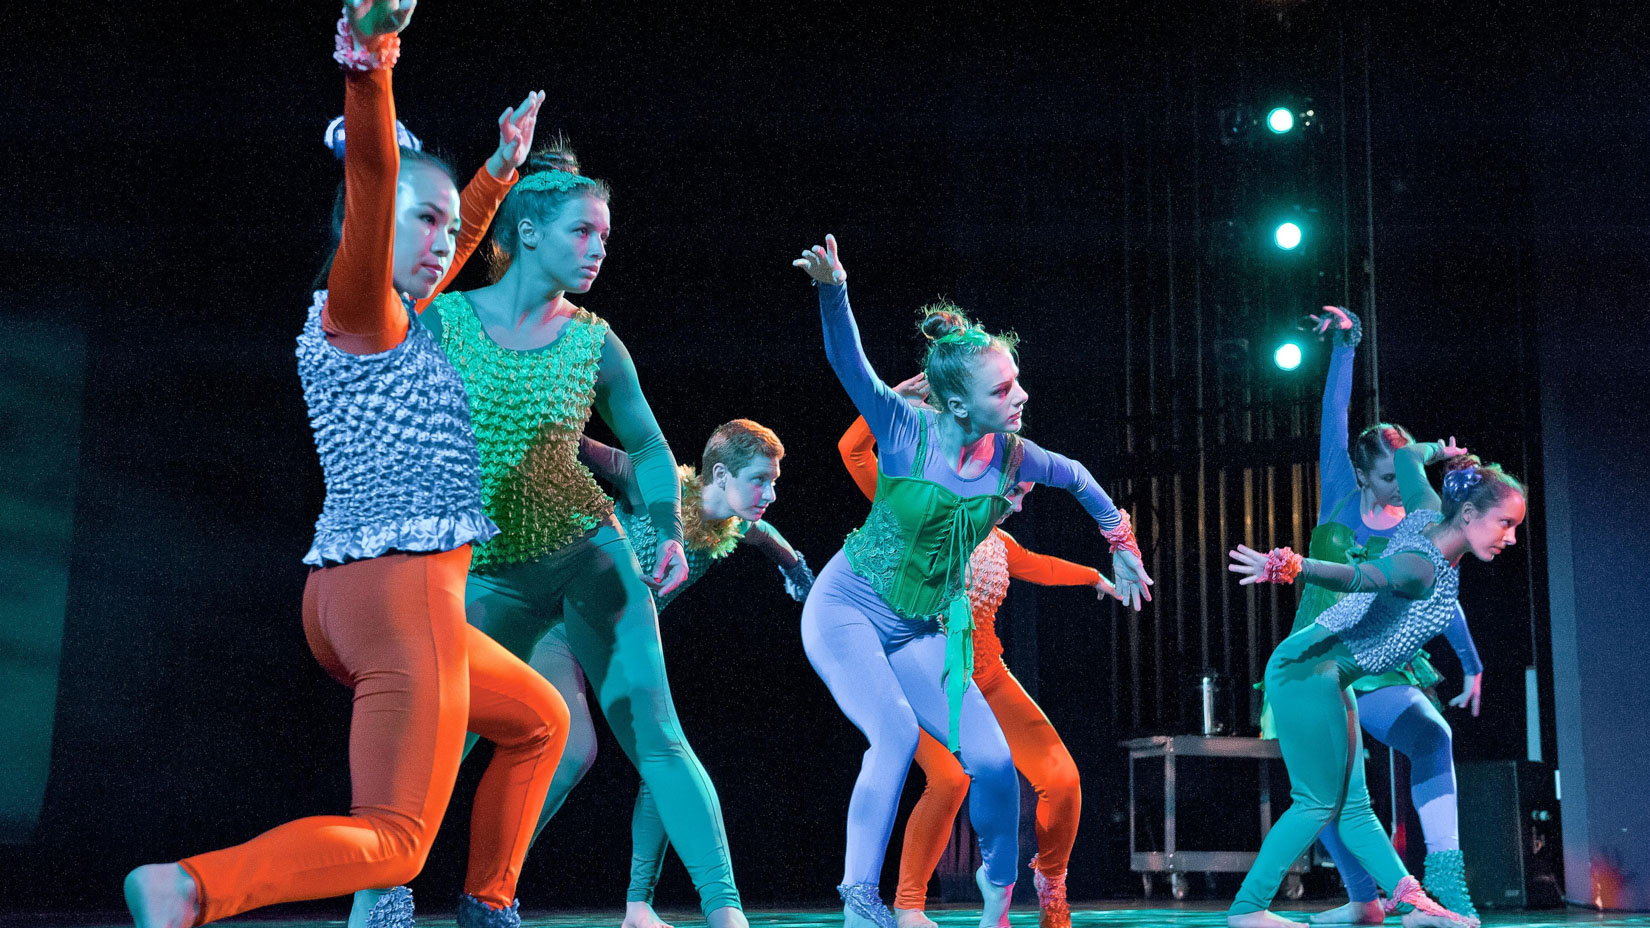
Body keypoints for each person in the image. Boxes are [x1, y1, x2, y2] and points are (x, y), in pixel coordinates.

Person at [124, 5, 568, 928]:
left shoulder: (380, 315)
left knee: (539, 720)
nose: (446, 243)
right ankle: (192, 888)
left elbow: (430, 233)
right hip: (401, 597)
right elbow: (375, 172)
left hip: (356, 594)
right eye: (426, 222)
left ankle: (489, 899)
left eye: (453, 227)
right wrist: (372, 60)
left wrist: (497, 173)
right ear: (369, 229)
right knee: (397, 836)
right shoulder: (361, 303)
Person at [352, 138, 748, 928]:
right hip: (489, 572)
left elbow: (648, 448)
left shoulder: (596, 342)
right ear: (527, 232)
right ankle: (379, 895)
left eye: (605, 237)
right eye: (582, 232)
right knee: (433, 740)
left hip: (585, 557)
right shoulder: (446, 321)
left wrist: (667, 526)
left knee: (654, 731)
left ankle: (726, 913)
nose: (599, 250)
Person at [792, 235, 1152, 928]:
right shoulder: (905, 430)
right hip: (848, 607)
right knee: (894, 738)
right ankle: (862, 901)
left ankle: (997, 891)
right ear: (958, 405)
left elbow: (1079, 478)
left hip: (920, 627)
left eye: (1015, 380)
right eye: (1002, 389)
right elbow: (850, 365)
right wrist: (834, 292)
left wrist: (1122, 544)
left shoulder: (1016, 459)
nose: (1021, 395)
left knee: (990, 762)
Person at [838, 382, 1120, 928]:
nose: (1021, 492)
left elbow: (1039, 565)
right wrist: (891, 396)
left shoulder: (999, 544)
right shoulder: (909, 510)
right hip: (914, 676)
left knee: (1061, 780)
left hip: (986, 677)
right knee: (948, 780)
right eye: (1016, 484)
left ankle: (1051, 883)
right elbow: (853, 451)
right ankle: (908, 906)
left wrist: (1094, 578)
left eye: (1021, 487)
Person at [1226, 437, 1525, 928]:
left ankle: (1415, 908)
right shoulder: (1420, 567)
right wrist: (1292, 565)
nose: (1510, 538)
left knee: (1356, 808)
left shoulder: (1428, 507)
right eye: (1505, 524)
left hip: (1333, 677)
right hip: (1304, 671)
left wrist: (1437, 452)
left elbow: (1407, 458)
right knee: (1317, 802)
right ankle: (1248, 909)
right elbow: (1360, 576)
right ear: (1469, 515)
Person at [1265, 308, 1485, 924]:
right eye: (1385, 477)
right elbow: (1333, 416)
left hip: (1380, 658)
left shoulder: (1423, 515)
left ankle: (1445, 877)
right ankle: (1366, 902)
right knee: (1328, 790)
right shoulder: (1340, 485)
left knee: (1431, 734)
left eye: (1402, 474)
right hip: (1320, 655)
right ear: (1360, 473)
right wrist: (1346, 345)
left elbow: (1444, 594)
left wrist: (1471, 663)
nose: (1395, 486)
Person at [579, 420, 814, 928]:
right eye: (760, 480)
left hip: (627, 648)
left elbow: (765, 536)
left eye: (774, 481)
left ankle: (638, 906)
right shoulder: (657, 487)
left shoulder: (730, 523)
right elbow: (592, 452)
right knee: (569, 755)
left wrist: (796, 569)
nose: (770, 493)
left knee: (661, 770)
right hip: (570, 629)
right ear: (723, 474)